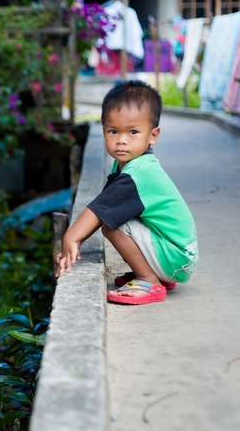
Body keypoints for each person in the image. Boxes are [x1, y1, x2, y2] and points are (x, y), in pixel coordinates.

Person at [55, 80, 197, 305]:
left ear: (153, 135)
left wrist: (71, 237)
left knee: (113, 225)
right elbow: (103, 205)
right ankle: (152, 272)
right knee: (112, 219)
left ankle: (148, 280)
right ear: (104, 131)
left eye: (133, 132)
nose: (121, 140)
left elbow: (101, 213)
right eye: (113, 131)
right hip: (176, 257)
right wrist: (76, 239)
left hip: (175, 257)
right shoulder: (126, 164)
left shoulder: (139, 172)